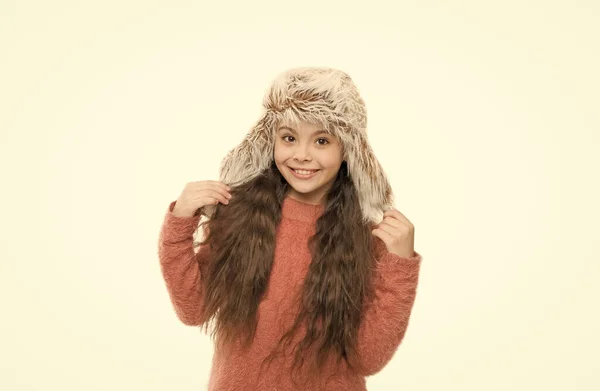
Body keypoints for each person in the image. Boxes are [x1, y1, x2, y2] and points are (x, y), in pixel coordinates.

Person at [157, 67, 422, 390]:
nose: (301, 155)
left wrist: (400, 266)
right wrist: (180, 223)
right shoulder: (238, 214)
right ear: (271, 140)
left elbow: (368, 358)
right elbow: (193, 309)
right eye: (289, 138)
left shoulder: (369, 235)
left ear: (347, 150)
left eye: (322, 140)